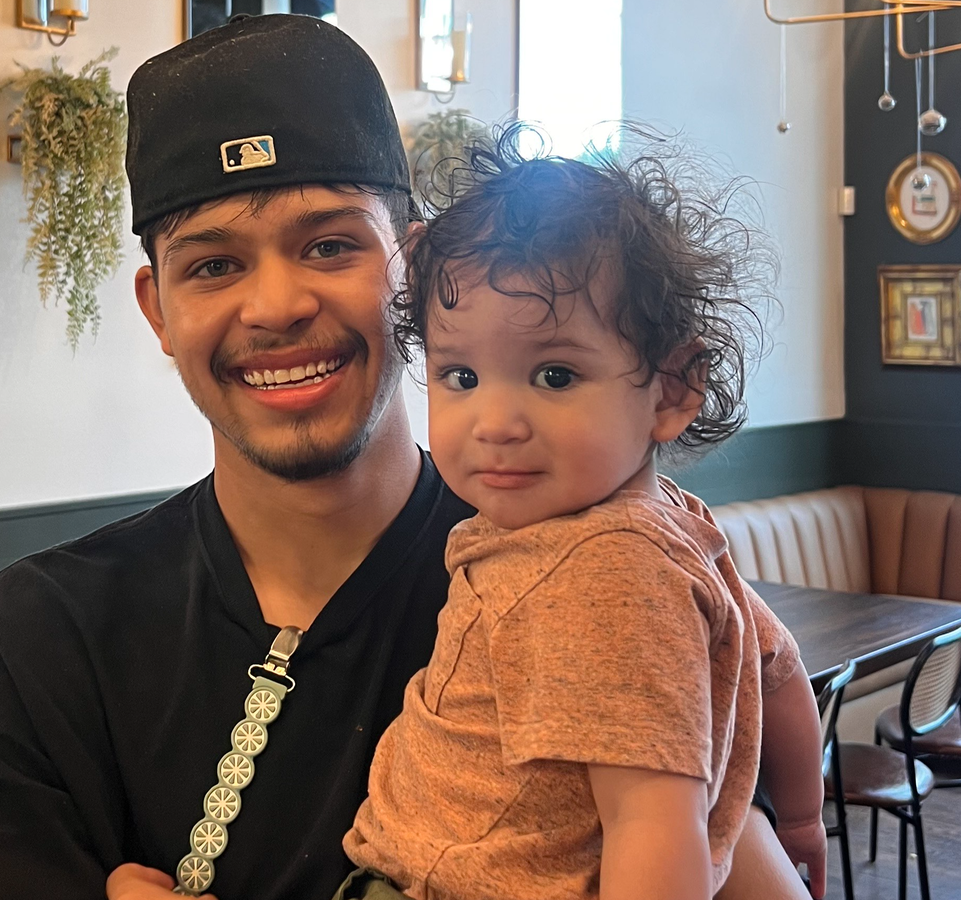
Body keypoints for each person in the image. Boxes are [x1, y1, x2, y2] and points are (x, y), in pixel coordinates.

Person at [0, 15, 815, 900]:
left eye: (331, 244)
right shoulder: (36, 641)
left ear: (412, 272)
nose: (275, 306)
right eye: (213, 265)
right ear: (159, 310)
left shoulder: (589, 578)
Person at [336, 131, 827, 900]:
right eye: (460, 375)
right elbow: (779, 666)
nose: (495, 422)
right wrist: (799, 819)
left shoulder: (605, 572)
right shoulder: (669, 525)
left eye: (555, 375)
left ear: (672, 389)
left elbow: (653, 827)